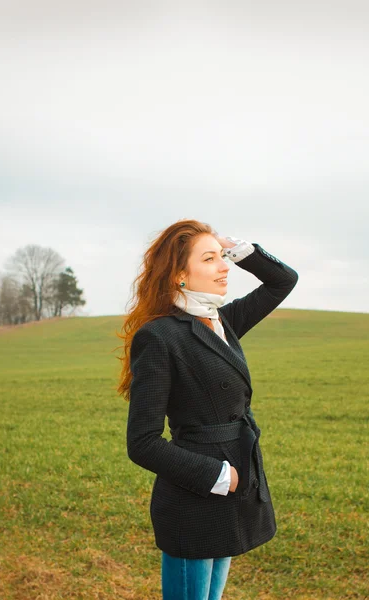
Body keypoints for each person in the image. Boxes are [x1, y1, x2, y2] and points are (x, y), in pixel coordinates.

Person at [118, 218, 299, 599]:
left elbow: (283, 280)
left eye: (223, 258)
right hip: (196, 496)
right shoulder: (159, 336)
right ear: (180, 275)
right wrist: (217, 475)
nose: (224, 267)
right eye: (210, 259)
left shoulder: (223, 321)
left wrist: (229, 244)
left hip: (233, 490)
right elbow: (143, 442)